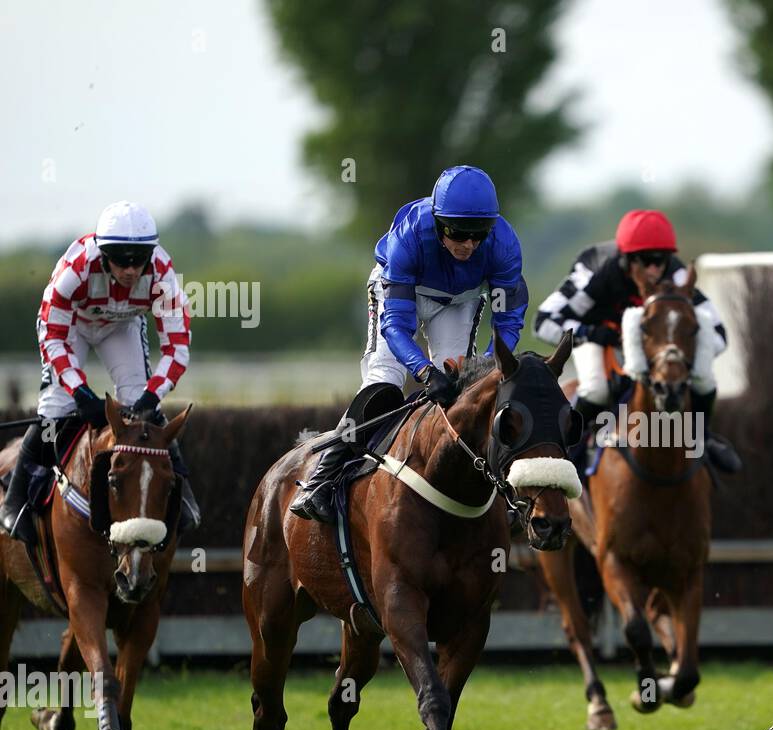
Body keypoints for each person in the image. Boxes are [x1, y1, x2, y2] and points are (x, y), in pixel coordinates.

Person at [290, 165, 529, 524]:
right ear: (437, 223)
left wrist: (492, 366)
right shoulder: (410, 237)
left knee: (466, 388)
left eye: (479, 233)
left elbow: (508, 322)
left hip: (459, 300)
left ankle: (490, 490)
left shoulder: (505, 245)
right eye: (458, 232)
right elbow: (396, 327)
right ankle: (323, 478)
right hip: (403, 291)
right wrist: (423, 370)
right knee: (384, 379)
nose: (468, 244)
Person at [0, 201, 199, 544]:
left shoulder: (162, 274)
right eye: (121, 259)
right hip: (70, 326)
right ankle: (14, 499)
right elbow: (53, 336)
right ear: (103, 253)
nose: (131, 269)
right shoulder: (76, 269)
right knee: (56, 407)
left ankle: (184, 494)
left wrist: (153, 396)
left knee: (143, 408)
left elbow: (178, 346)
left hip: (120, 326)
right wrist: (82, 394)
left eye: (140, 259)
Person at [533, 209, 741, 473]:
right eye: (646, 260)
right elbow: (544, 322)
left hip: (651, 344)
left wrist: (682, 353)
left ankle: (702, 437)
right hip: (598, 335)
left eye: (661, 260)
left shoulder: (676, 275)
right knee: (597, 389)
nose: (655, 269)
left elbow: (718, 333)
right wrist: (591, 333)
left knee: (703, 379)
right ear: (627, 259)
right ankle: (563, 451)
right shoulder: (597, 273)